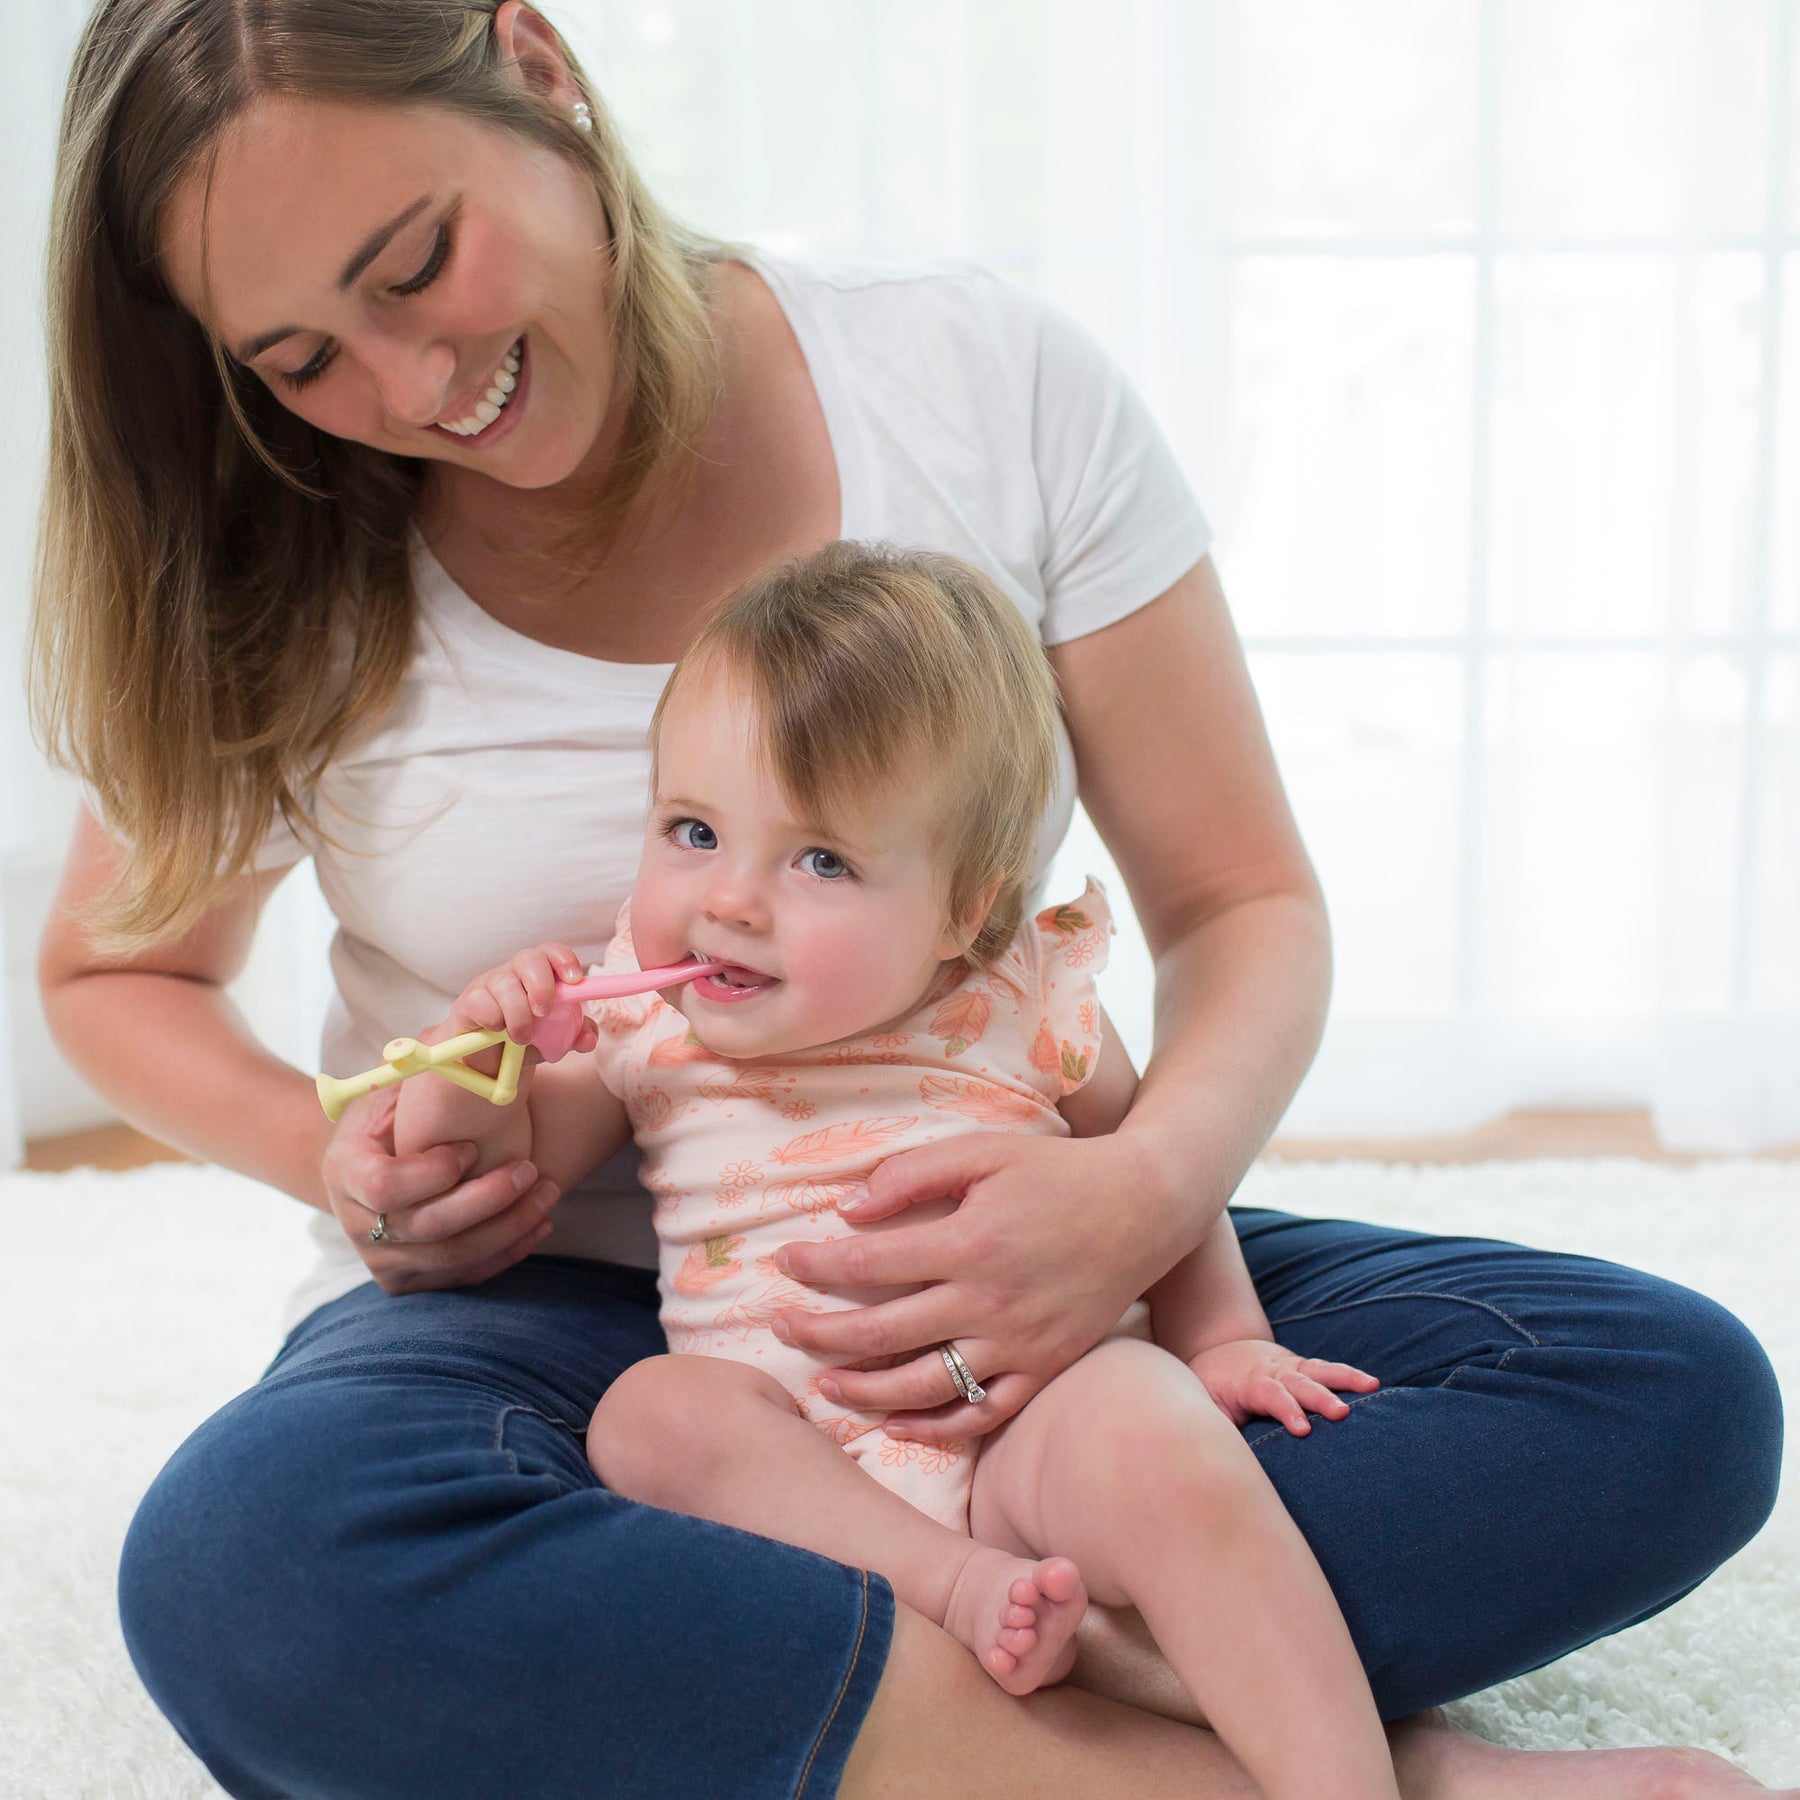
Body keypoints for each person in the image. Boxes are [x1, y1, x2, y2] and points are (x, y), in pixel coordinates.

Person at [28, 0, 1785, 1794]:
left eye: (416, 264)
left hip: (1038, 1296)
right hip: (548, 1345)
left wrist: (1137, 1201)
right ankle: (1323, 1766)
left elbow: (1239, 897)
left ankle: (832, 1686)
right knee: (255, 1572)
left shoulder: (974, 381)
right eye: (300, 358)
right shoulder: (276, 555)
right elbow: (113, 974)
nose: (411, 387)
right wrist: (351, 1154)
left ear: (540, 71)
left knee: (1659, 1397)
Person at [393, 541, 1401, 1798]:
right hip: (794, 1470)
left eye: (820, 861)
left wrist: (1224, 1343)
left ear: (966, 911)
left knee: (1153, 1426)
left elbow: (1159, 1183)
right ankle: (958, 1591)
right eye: (695, 831)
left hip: (1029, 1421)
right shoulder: (647, 1017)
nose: (731, 902)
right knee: (649, 1417)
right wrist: (472, 1058)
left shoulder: (1021, 995)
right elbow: (491, 1161)